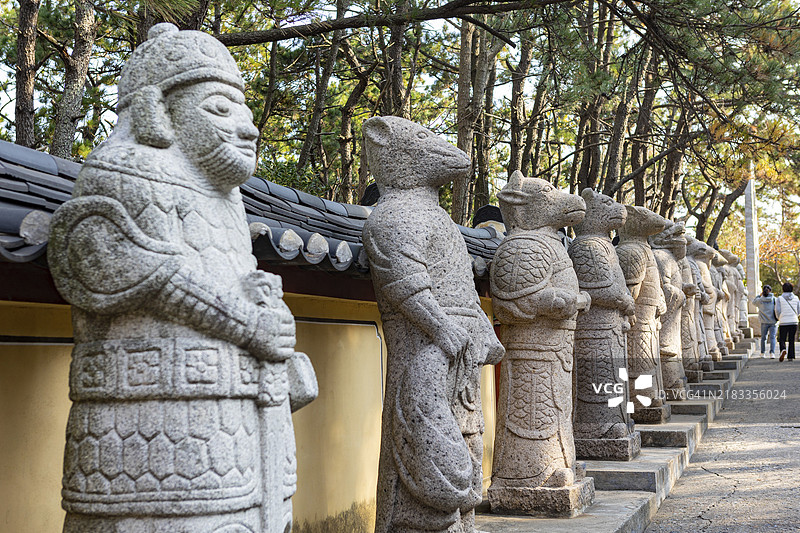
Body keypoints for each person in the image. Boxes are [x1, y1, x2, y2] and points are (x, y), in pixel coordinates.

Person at [775, 282, 800, 362]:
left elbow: (777, 310)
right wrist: (795, 316)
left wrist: (779, 318)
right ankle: (791, 356)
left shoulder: (779, 299)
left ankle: (783, 349)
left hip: (783, 321)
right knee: (791, 339)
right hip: (794, 321)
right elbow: (798, 310)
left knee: (782, 338)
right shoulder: (796, 298)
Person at [753, 285, 777, 358]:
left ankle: (763, 353)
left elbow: (753, 302)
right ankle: (772, 353)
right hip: (773, 321)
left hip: (764, 321)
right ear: (770, 291)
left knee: (763, 338)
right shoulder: (774, 299)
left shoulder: (760, 300)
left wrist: (759, 295)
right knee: (772, 337)